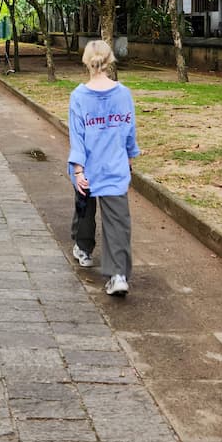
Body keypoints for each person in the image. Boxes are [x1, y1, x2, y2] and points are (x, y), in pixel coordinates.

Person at [67, 39, 140, 296]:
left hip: (88, 167)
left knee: (84, 209)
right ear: (110, 61)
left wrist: (78, 170)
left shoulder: (79, 96)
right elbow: (129, 131)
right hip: (115, 167)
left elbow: (77, 137)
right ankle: (118, 274)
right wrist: (130, 158)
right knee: (118, 221)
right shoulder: (123, 94)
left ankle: (83, 250)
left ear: (86, 61)